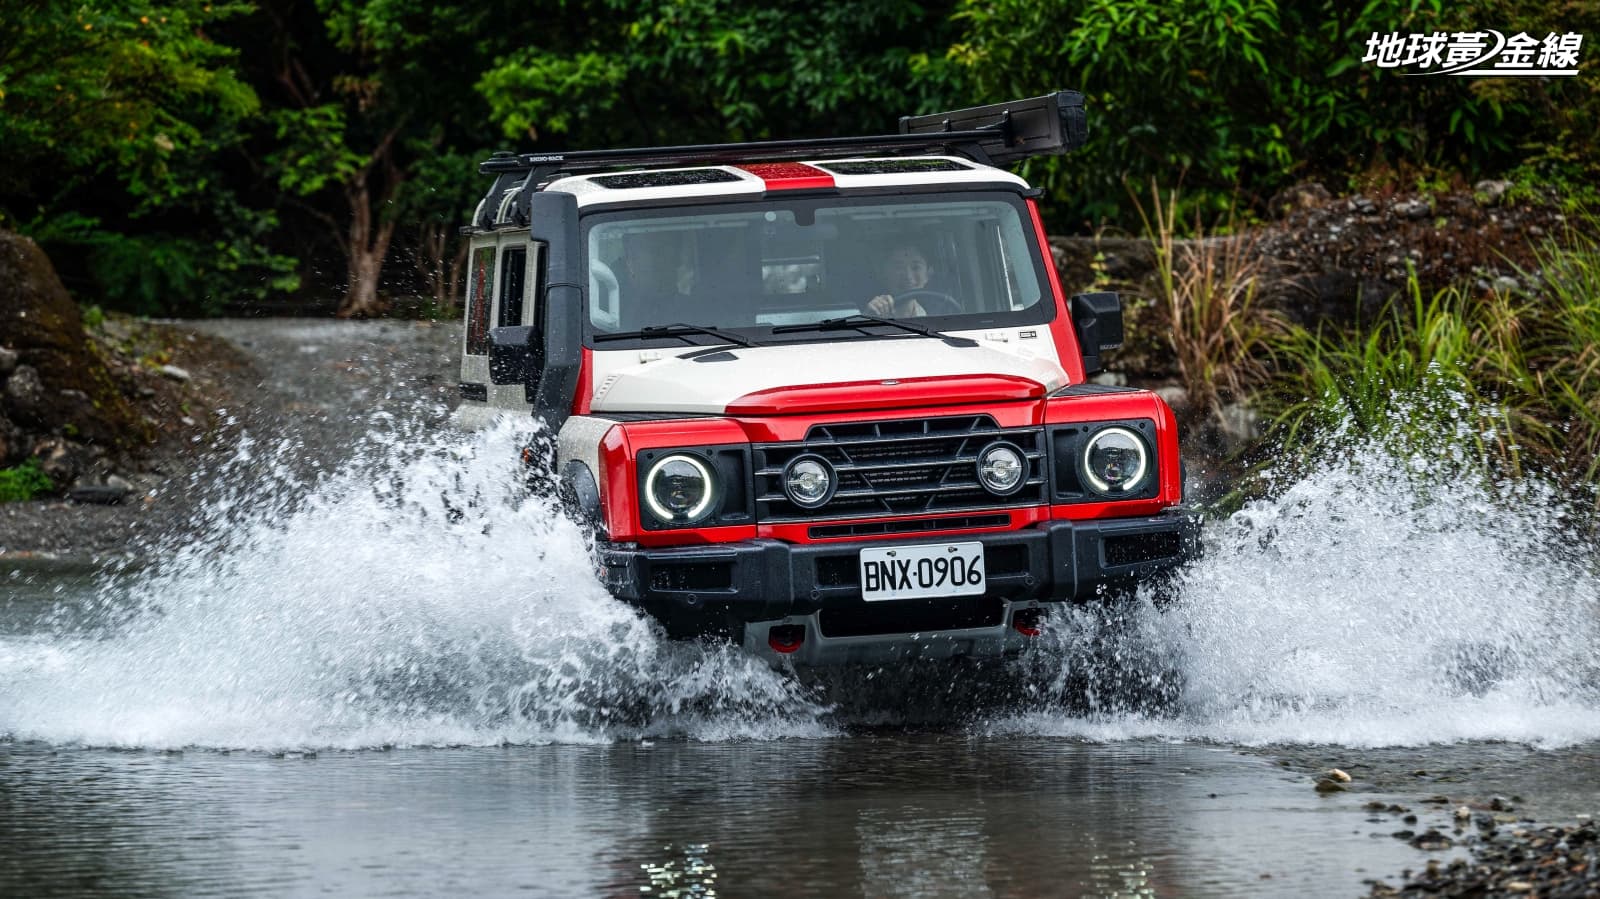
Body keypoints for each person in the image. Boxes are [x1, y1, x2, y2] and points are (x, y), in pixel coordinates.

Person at [864, 243, 932, 317]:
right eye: (899, 268)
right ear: (882, 274)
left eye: (916, 267)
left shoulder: (939, 314)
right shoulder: (873, 313)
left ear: (928, 275)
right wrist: (869, 318)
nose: (908, 276)